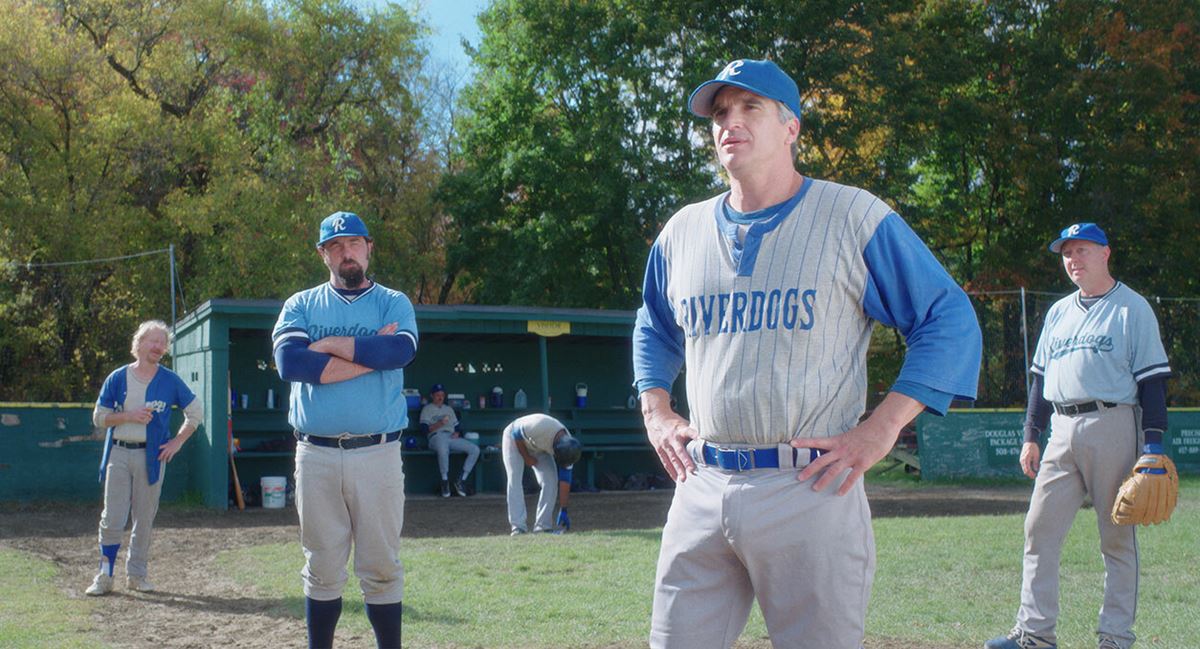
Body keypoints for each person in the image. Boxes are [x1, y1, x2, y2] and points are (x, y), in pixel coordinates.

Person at [632, 58, 982, 649]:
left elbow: (947, 318)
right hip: (701, 482)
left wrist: (882, 428)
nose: (730, 122)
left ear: (791, 126)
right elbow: (654, 324)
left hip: (809, 485)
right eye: (720, 112)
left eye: (750, 107)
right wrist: (656, 410)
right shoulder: (681, 232)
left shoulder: (853, 215)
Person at [985, 223, 1171, 649]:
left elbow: (1153, 382)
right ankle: (1034, 634)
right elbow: (1039, 380)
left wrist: (1153, 446)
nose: (1073, 260)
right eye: (1067, 253)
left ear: (1105, 253)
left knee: (1117, 536)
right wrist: (1031, 434)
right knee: (1039, 528)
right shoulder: (1058, 312)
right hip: (1061, 429)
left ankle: (1115, 637)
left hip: (1113, 423)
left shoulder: (1132, 308)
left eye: (1081, 250)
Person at [272, 211, 418, 649]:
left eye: (353, 243)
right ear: (323, 254)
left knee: (381, 567)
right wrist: (370, 352)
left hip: (378, 452)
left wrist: (330, 346)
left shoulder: (393, 302)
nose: (346, 252)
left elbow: (399, 352)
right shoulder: (301, 304)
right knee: (322, 567)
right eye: (335, 246)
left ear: (369, 248)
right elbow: (291, 363)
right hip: (315, 453)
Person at [86, 320, 203, 596]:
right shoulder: (118, 377)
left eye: (163, 343)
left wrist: (177, 442)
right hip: (118, 452)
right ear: (138, 343)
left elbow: (196, 413)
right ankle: (105, 575)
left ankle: (137, 575)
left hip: (151, 457)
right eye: (154, 341)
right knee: (112, 517)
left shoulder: (169, 380)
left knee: (144, 518)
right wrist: (129, 416)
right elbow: (99, 417)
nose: (159, 347)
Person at [501, 413, 582, 535]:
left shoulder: (570, 449)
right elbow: (516, 434)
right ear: (556, 448)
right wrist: (526, 457)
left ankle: (542, 527)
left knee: (550, 481)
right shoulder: (540, 425)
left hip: (539, 446)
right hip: (514, 438)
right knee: (514, 479)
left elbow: (565, 480)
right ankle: (518, 527)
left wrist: (563, 509)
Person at [419, 383, 480, 497]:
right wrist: (440, 423)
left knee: (474, 449)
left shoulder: (449, 409)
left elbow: (457, 426)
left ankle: (461, 480)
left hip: (451, 436)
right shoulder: (427, 409)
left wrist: (457, 433)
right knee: (443, 449)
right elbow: (424, 429)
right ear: (432, 396)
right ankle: (445, 481)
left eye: (442, 395)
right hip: (435, 437)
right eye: (438, 395)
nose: (440, 397)